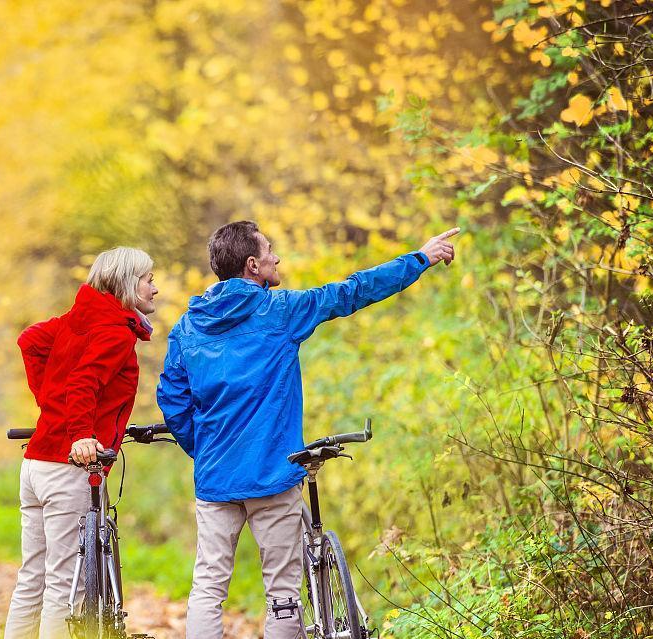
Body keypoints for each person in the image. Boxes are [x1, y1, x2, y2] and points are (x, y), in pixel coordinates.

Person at [157, 221, 459, 638]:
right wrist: (420, 258)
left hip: (215, 478)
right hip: (273, 475)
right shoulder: (280, 312)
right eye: (269, 251)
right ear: (252, 265)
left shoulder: (187, 328)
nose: (276, 258)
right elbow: (352, 291)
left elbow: (172, 399)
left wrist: (205, 446)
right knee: (282, 592)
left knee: (207, 587)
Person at [4, 247, 160, 639]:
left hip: (36, 465)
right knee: (61, 584)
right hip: (67, 469)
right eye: (148, 279)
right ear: (127, 282)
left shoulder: (77, 320)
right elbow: (83, 383)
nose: (155, 288)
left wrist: (50, 406)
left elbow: (29, 342)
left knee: (31, 578)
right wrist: (80, 435)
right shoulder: (113, 332)